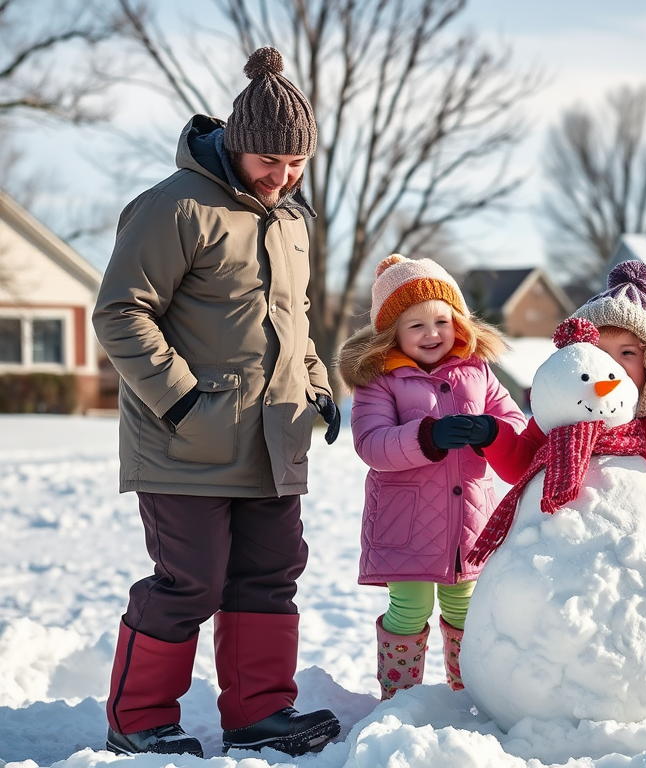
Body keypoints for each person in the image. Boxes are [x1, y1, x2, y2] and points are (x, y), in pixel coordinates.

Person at [92, 47, 342, 758]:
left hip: (273, 440)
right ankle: (137, 719)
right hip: (186, 443)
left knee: (270, 578)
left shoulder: (292, 221)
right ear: (236, 144)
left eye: (296, 164)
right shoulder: (174, 206)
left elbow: (295, 322)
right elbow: (120, 313)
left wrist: (318, 390)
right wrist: (178, 404)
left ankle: (259, 715)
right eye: (270, 160)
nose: (283, 176)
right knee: (189, 581)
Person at [337, 254, 527, 700]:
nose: (431, 334)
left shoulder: (478, 371)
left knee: (466, 608)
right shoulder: (379, 379)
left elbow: (517, 425)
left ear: (458, 323)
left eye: (441, 321)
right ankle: (400, 698)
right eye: (415, 325)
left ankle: (468, 695)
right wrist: (428, 436)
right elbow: (371, 442)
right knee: (410, 607)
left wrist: (490, 431)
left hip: (468, 521)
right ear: (393, 332)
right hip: (407, 523)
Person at [483, 260, 646, 491]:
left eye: (627, 353)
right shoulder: (565, 409)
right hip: (571, 526)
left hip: (644, 526)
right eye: (599, 353)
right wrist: (495, 436)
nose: (613, 364)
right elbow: (520, 467)